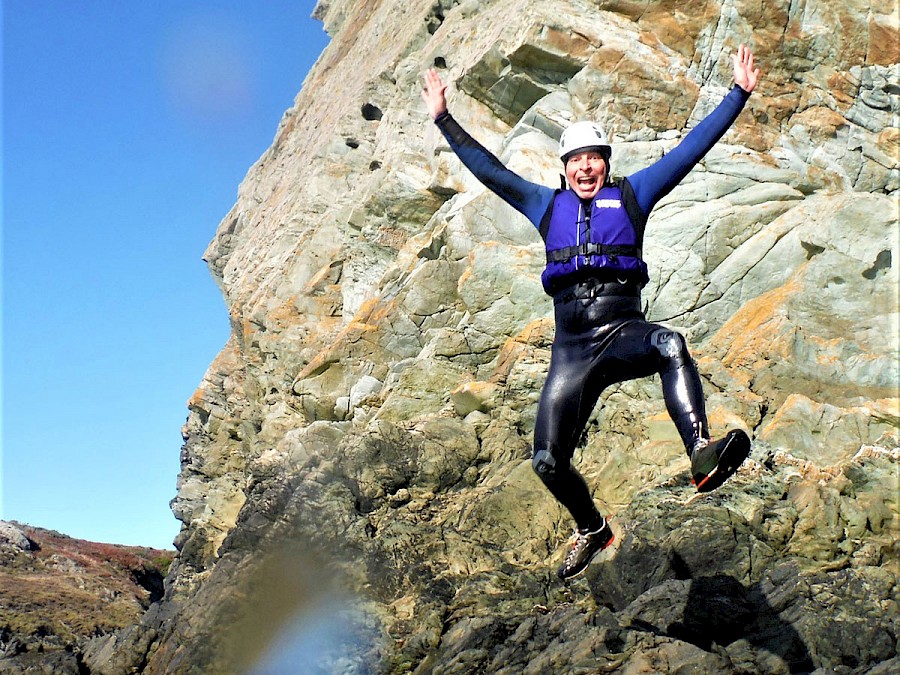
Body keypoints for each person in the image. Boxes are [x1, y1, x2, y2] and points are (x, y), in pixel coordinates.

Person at [422, 46, 761, 580]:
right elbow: (490, 171)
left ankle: (700, 450)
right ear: (564, 167)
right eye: (576, 159)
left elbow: (690, 150)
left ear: (606, 161)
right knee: (547, 462)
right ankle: (593, 529)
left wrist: (737, 93)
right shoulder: (544, 205)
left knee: (670, 343)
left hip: (623, 332)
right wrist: (444, 119)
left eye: (594, 157)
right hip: (572, 353)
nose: (585, 166)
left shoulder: (634, 195)